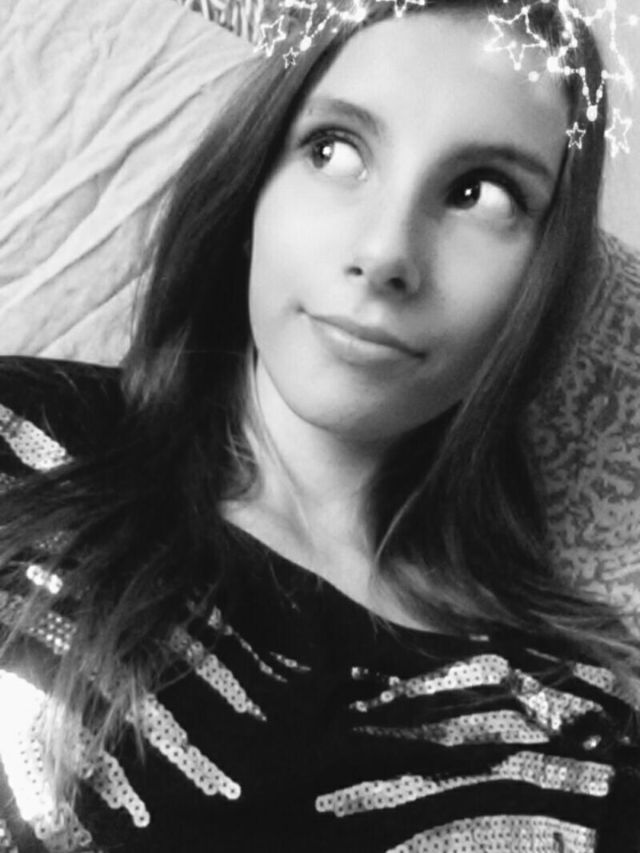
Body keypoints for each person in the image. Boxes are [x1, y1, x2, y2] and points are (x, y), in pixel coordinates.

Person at [0, 0, 639, 850]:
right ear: (253, 191)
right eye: (334, 149)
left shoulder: (571, 733)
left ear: (541, 286)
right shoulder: (20, 438)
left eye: (480, 192)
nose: (384, 253)